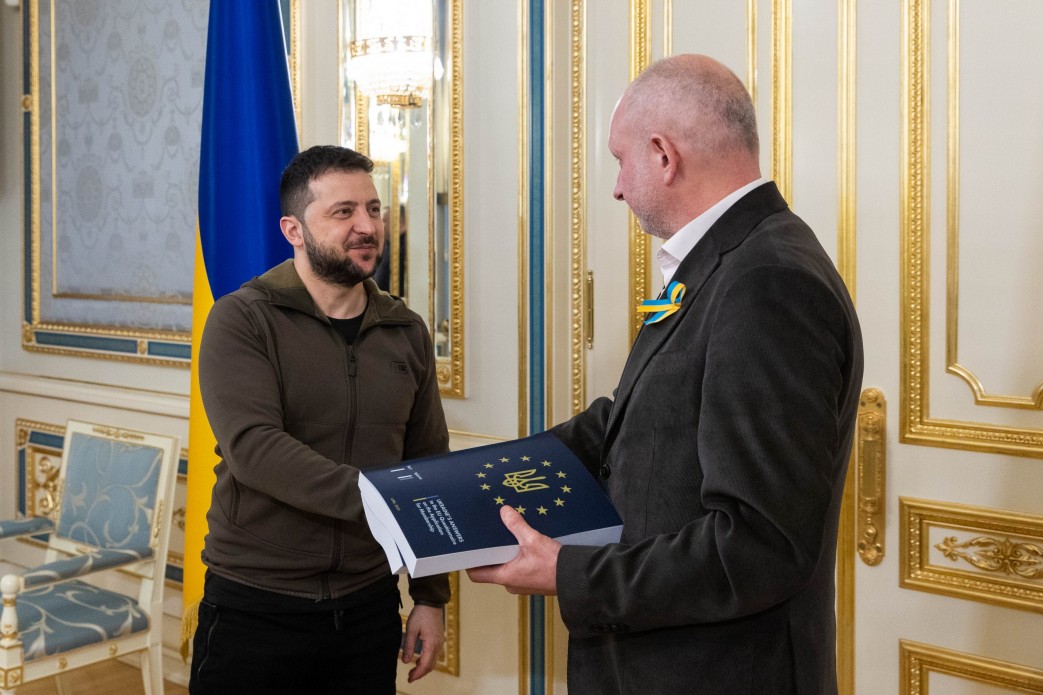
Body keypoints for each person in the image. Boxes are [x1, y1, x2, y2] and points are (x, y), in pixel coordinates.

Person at [468, 54, 864, 694]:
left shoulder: (769, 280)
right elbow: (639, 416)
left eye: (619, 160)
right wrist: (477, 482)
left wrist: (569, 573)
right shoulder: (723, 259)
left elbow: (759, 545)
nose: (617, 188)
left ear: (662, 155)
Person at [189, 145, 450, 695]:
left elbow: (428, 463)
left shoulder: (406, 331)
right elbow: (255, 449)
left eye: (374, 209)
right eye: (343, 212)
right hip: (255, 606)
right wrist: (380, 501)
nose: (367, 226)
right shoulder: (242, 320)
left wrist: (430, 596)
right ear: (294, 230)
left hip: (369, 605)